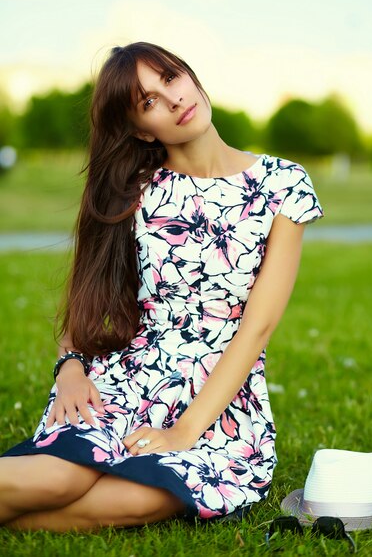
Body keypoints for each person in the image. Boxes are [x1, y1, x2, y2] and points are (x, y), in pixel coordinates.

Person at [0, 42, 323, 531]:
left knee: (143, 499)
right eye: (147, 101)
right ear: (137, 128)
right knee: (59, 482)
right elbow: (92, 295)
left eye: (170, 78)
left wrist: (183, 432)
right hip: (124, 381)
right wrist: (69, 365)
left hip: (222, 402)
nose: (171, 99)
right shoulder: (136, 189)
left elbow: (257, 328)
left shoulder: (283, 184)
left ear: (189, 76)